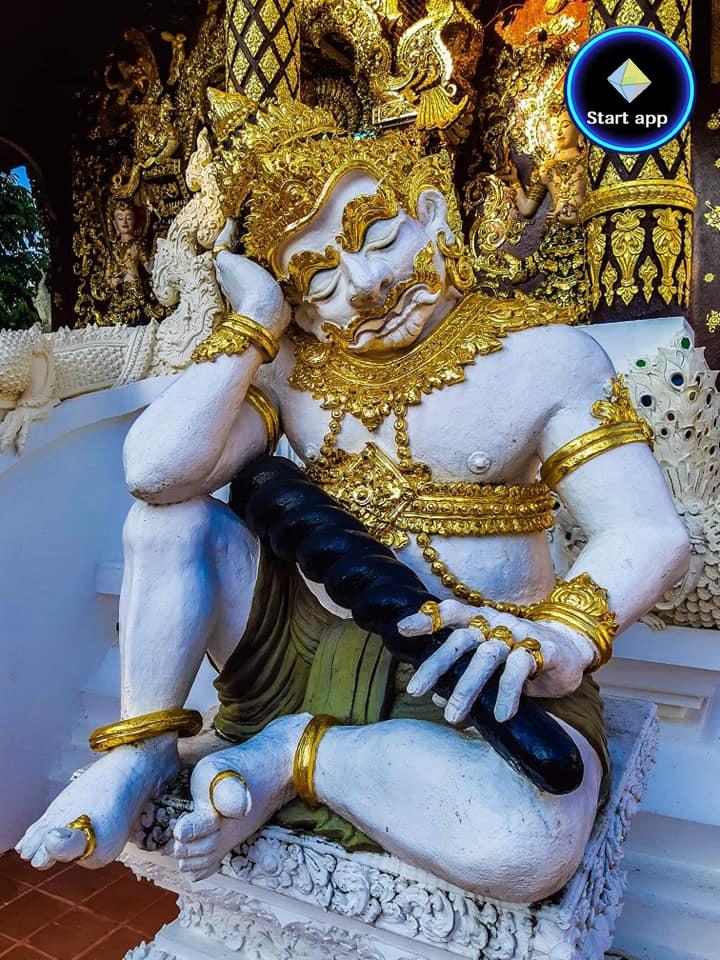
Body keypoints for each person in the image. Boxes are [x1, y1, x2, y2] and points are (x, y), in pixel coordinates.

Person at [17, 98, 689, 902]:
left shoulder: (546, 357)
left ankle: (292, 754)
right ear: (299, 306)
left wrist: (562, 637)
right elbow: (156, 472)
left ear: (431, 212)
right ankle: (141, 750)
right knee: (171, 520)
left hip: (478, 664)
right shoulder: (294, 369)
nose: (367, 286)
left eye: (377, 236)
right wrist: (255, 323)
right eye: (322, 277)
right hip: (306, 643)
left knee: (527, 849)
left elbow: (646, 530)